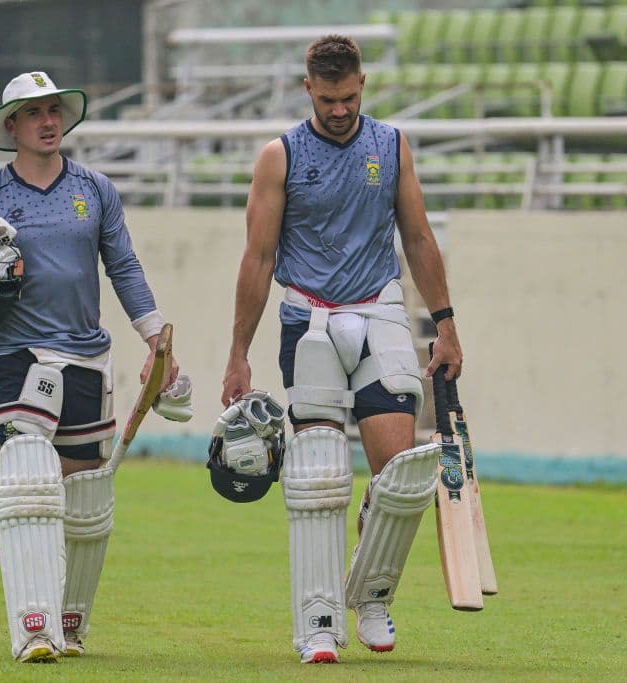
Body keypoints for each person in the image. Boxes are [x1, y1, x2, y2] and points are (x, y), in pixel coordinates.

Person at [220, 35, 464, 664]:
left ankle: (372, 593)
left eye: (349, 97)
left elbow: (418, 236)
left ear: (362, 84)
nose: (339, 110)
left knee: (400, 477)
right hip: (309, 320)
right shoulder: (279, 156)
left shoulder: (391, 144)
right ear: (308, 88)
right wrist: (238, 353)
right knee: (321, 476)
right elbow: (258, 258)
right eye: (328, 99)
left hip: (379, 309)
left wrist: (445, 324)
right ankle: (319, 623)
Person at [0, 71, 186, 663]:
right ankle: (33, 629)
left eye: (53, 111)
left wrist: (156, 338)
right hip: (17, 353)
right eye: (33, 113)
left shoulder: (95, 190)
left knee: (80, 502)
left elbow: (124, 266)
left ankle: (68, 624)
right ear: (11, 125)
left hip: (87, 359)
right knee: (28, 482)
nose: (47, 122)